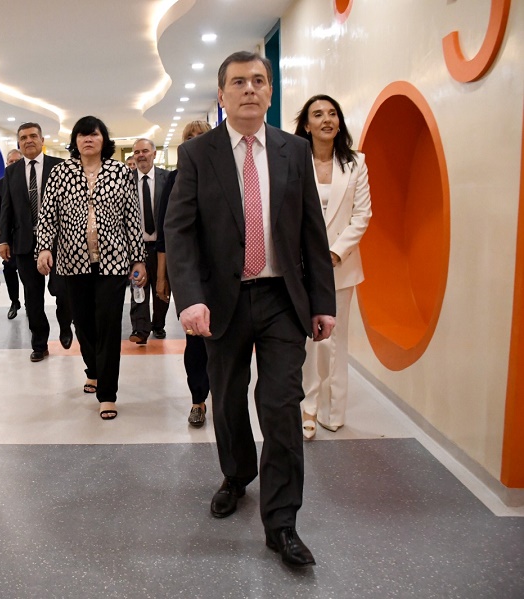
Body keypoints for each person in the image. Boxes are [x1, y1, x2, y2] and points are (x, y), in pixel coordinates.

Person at [165, 52, 336, 567]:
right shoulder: (198, 154)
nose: (250, 89)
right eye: (238, 82)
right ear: (222, 95)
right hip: (223, 300)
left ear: (269, 92)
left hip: (282, 298)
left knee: (281, 403)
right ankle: (237, 474)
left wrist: (323, 302)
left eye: (259, 81)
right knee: (227, 398)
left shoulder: (293, 149)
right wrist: (190, 297)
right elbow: (180, 231)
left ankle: (282, 522)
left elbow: (312, 230)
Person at [36, 116, 146, 419]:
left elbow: (132, 218)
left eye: (93, 134)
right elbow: (47, 216)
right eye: (82, 135)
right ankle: (93, 369)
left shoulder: (120, 172)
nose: (88, 139)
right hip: (73, 262)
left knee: (109, 326)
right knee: (83, 323)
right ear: (75, 141)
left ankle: (107, 394)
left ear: (103, 139)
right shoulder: (61, 173)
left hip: (113, 262)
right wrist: (44, 248)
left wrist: (138, 258)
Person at [294, 94, 372, 439]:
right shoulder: (295, 161)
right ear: (306, 125)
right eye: (318, 114)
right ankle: (308, 406)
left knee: (336, 341)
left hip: (341, 265)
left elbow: (362, 215)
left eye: (332, 113)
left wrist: (335, 253)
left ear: (339, 122)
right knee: (310, 341)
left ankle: (333, 409)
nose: (326, 119)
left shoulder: (356, 163)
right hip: (301, 265)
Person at [0, 123, 73, 361]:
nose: (28, 140)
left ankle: (65, 325)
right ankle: (39, 343)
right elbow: (6, 209)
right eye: (23, 137)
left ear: (42, 140)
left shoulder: (60, 167)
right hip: (24, 242)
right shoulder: (12, 172)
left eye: (33, 136)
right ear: (18, 142)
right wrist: (3, 239)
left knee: (62, 290)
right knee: (33, 296)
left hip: (59, 242)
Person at [155, 121, 212, 427]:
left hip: (226, 273)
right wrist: (162, 277)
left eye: (201, 136)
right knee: (196, 339)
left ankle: (225, 395)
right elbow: (168, 233)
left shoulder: (229, 174)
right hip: (189, 273)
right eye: (190, 137)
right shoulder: (175, 180)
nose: (196, 141)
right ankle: (198, 400)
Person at [128, 138, 170, 344]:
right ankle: (140, 329)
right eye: (137, 152)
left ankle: (158, 325)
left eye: (145, 151)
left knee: (162, 286)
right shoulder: (126, 180)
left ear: (154, 153)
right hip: (137, 246)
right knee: (138, 285)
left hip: (162, 246)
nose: (141, 155)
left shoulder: (167, 178)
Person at [0, 149, 23, 320]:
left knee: (28, 273)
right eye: (10, 162)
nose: (13, 164)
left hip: (26, 236)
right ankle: (14, 302)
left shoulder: (29, 181)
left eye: (17, 161)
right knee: (9, 269)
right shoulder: (0, 184)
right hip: (8, 237)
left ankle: (31, 302)